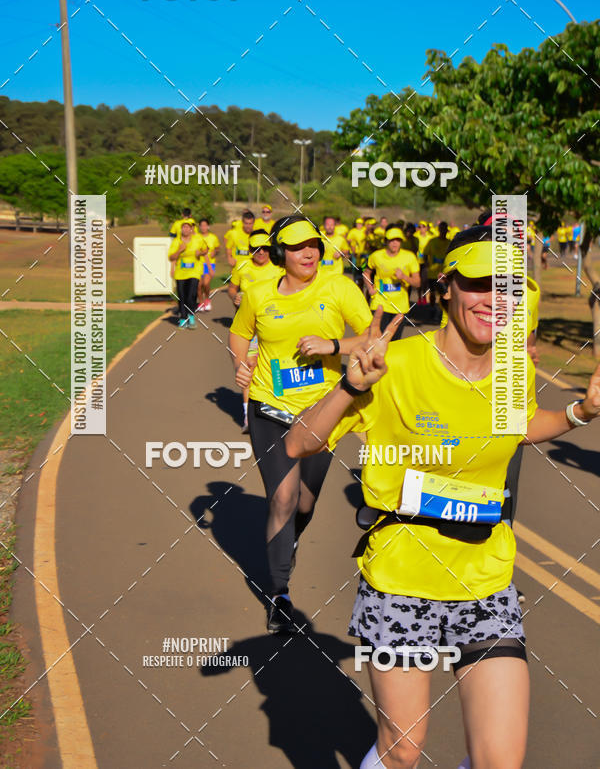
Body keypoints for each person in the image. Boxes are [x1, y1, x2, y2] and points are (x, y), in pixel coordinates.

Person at [286, 225, 600, 769]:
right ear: (448, 288)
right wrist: (351, 387)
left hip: (485, 580)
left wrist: (580, 414)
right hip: (400, 586)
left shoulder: (512, 370)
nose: (494, 300)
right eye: (480, 284)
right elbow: (298, 443)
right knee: (404, 750)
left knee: (500, 761)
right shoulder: (394, 364)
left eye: (507, 287)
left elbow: (520, 424)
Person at [228, 215, 373, 633]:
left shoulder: (338, 287)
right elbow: (240, 334)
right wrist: (240, 365)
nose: (307, 252)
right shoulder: (258, 293)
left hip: (321, 414)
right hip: (270, 408)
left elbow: (373, 337)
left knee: (304, 505)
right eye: (296, 247)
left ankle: (284, 545)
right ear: (280, 254)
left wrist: (334, 345)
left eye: (313, 244)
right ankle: (279, 593)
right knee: (284, 498)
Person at [228, 230, 284, 432]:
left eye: (265, 249)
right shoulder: (242, 265)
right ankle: (248, 417)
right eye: (256, 249)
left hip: (273, 325)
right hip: (248, 328)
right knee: (248, 366)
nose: (261, 252)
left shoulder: (278, 269)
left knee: (274, 365)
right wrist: (235, 297)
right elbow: (232, 288)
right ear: (250, 249)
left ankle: (278, 411)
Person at [363, 227, 420, 341]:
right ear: (386, 241)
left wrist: (404, 276)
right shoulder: (376, 256)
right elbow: (366, 273)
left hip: (399, 306)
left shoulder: (409, 257)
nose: (395, 243)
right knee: (377, 339)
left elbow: (417, 283)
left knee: (394, 341)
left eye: (398, 240)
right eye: (392, 240)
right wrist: (370, 288)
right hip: (380, 302)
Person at [168, 221, 207, 329]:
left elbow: (206, 249)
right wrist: (179, 250)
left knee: (191, 295)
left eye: (187, 227)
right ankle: (182, 318)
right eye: (183, 227)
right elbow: (171, 257)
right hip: (181, 273)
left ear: (191, 229)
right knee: (182, 296)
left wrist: (201, 253)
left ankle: (191, 316)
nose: (185, 229)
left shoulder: (198, 239)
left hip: (194, 271)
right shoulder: (177, 241)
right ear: (181, 230)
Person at [423, 221, 450, 310]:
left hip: (444, 274)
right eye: (441, 229)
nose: (443, 231)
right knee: (432, 293)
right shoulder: (432, 241)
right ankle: (432, 309)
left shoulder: (450, 243)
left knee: (444, 293)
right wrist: (427, 266)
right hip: (432, 273)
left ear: (447, 230)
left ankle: (441, 311)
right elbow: (425, 254)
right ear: (439, 230)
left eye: (444, 229)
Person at [196, 217, 220, 312]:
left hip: (209, 264)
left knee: (206, 284)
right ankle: (201, 302)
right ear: (199, 227)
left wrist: (215, 252)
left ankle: (207, 300)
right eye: (201, 225)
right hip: (198, 264)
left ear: (208, 226)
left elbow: (218, 248)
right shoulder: (196, 237)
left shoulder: (213, 237)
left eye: (205, 225)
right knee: (199, 285)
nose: (203, 227)